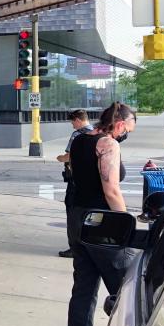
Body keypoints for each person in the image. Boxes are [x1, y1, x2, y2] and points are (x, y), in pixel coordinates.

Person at [63, 101, 137, 326]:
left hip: (77, 219)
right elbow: (111, 190)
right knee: (128, 292)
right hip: (102, 225)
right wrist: (126, 224)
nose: (127, 134)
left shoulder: (81, 140)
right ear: (119, 124)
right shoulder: (108, 144)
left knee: (83, 289)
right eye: (128, 129)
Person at [58, 110, 94, 258]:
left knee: (73, 215)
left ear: (79, 120)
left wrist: (60, 158)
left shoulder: (78, 135)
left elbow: (69, 156)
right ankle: (86, 246)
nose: (72, 125)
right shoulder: (95, 134)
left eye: (73, 122)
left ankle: (74, 248)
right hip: (88, 181)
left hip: (75, 180)